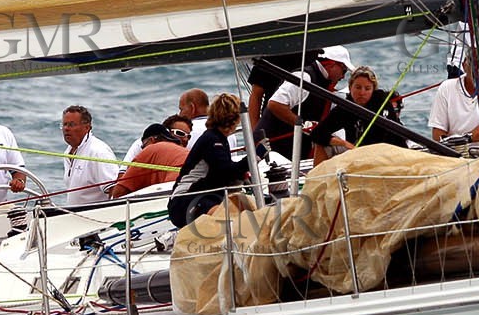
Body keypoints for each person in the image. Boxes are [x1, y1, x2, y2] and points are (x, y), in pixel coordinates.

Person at [168, 93, 249, 228]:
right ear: (234, 119)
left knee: (243, 214)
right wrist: (257, 155)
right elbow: (227, 172)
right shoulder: (212, 140)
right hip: (185, 201)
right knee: (227, 219)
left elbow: (224, 173)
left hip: (206, 198)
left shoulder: (219, 138)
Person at [260, 45, 352, 160]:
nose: (343, 76)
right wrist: (303, 125)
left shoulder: (323, 82)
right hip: (275, 153)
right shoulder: (305, 77)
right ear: (331, 64)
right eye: (343, 71)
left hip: (295, 152)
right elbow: (275, 104)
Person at [308, 66, 405, 159]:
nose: (362, 93)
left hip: (387, 152)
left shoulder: (382, 102)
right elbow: (317, 134)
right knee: (321, 143)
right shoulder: (345, 107)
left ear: (373, 90)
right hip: (357, 152)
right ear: (350, 88)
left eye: (367, 89)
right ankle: (319, 175)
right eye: (358, 87)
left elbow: (394, 134)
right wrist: (344, 143)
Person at [58, 105, 118, 207]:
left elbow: (115, 190)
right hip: (74, 216)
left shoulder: (98, 152)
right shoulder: (68, 152)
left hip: (96, 217)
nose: (66, 129)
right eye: (64, 124)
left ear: (87, 127)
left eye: (71, 125)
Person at [111, 122, 190, 197]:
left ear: (151, 140)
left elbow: (118, 192)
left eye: (143, 146)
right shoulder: (183, 150)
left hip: (175, 190)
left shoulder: (151, 149)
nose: (142, 150)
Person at [429, 55, 479, 145]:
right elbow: (437, 133)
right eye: (473, 64)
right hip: (456, 155)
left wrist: (464, 139)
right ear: (464, 65)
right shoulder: (447, 88)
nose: (477, 70)